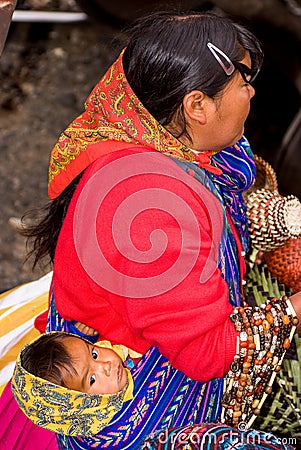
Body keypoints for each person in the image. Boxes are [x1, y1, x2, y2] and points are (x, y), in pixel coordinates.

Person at [2, 9, 301, 449]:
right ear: (196, 105)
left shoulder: (143, 127)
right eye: (241, 81)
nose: (251, 90)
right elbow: (209, 355)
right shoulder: (152, 216)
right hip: (165, 373)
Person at [11, 331, 135, 436]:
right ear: (85, 407)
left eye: (94, 354)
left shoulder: (118, 347)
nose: (106, 365)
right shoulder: (119, 431)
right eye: (91, 379)